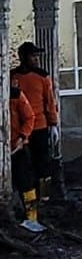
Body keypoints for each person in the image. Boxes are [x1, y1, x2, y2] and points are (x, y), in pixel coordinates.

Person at [12, 42, 58, 200]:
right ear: (23, 57)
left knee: (43, 163)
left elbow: (50, 102)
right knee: (23, 165)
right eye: (33, 56)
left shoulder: (43, 77)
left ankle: (45, 196)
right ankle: (25, 196)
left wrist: (53, 124)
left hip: (40, 126)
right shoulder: (13, 77)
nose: (36, 60)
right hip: (20, 130)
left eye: (37, 56)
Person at [10, 77, 39, 223]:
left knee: (26, 183)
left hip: (18, 146)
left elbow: (29, 117)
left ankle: (32, 217)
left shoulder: (15, 95)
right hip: (5, 148)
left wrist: (22, 137)